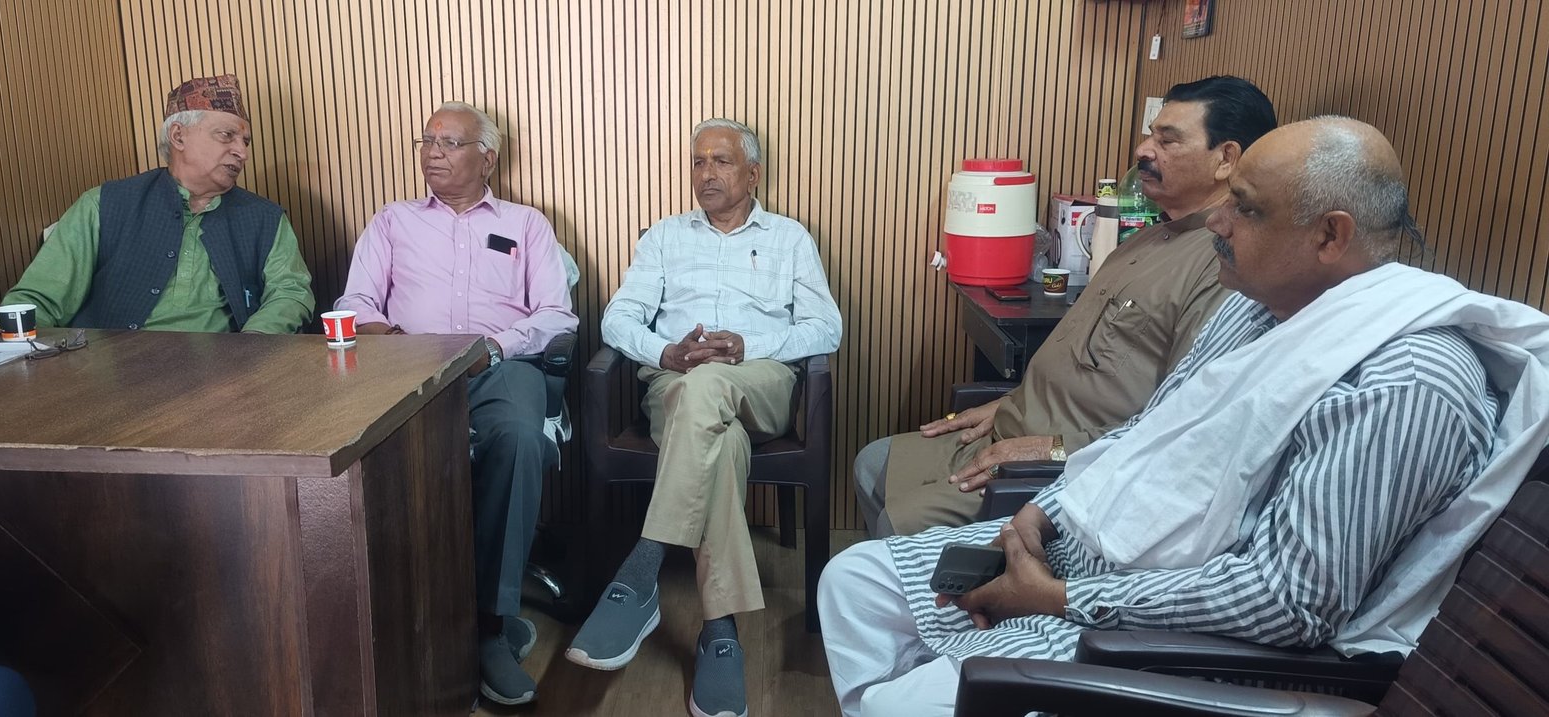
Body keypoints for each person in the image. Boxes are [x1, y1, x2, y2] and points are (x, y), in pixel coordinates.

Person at [818, 116, 1549, 717]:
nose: (1218, 222)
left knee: (901, 703)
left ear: (1330, 235)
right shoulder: (1255, 309)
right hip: (1091, 547)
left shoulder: (1404, 382)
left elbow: (1289, 602)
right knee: (853, 583)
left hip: (1166, 635)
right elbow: (1152, 430)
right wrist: (1044, 509)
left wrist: (1059, 599)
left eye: (1247, 209)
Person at [855, 76, 1277, 537]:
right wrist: (1010, 404)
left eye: (1167, 140)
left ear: (1226, 159)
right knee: (873, 462)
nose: (1143, 150)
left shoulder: (1224, 267)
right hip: (1015, 426)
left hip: (1063, 465)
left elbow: (1181, 429)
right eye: (1150, 135)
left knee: (896, 523)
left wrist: (1053, 449)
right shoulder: (1151, 237)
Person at [567, 118, 842, 717]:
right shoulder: (664, 238)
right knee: (720, 437)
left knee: (712, 383)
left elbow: (827, 328)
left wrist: (749, 345)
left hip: (761, 382)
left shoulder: (790, 238)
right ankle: (721, 634)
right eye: (698, 161)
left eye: (721, 161)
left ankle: (641, 568)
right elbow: (618, 318)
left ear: (754, 174)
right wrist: (665, 352)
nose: (706, 173)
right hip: (676, 385)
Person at [335, 101, 577, 707]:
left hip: (499, 366)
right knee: (363, 448)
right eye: (427, 141)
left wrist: (493, 347)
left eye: (449, 143)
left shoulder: (527, 224)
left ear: (487, 158)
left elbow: (557, 315)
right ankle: (396, 618)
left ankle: (491, 627)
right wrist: (391, 339)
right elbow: (354, 302)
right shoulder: (392, 222)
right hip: (406, 371)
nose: (432, 153)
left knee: (518, 438)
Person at [1, 74, 312, 334]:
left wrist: (252, 346)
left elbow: (291, 292)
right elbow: (37, 300)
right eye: (226, 135)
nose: (242, 153)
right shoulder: (104, 205)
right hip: (108, 375)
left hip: (225, 378)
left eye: (245, 142)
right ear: (178, 136)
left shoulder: (264, 218)